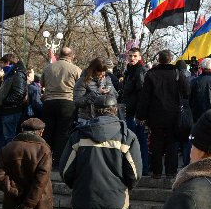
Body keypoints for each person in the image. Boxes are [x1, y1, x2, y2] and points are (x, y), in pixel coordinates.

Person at [59, 94, 142, 209]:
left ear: (93, 111)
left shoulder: (79, 134)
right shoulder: (126, 135)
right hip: (115, 197)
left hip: (84, 195)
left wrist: (77, 185)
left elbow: (66, 169)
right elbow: (134, 173)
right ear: (115, 110)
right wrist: (124, 186)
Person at [137, 50, 189, 178]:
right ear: (170, 59)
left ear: (159, 60)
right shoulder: (178, 73)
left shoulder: (151, 74)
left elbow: (145, 98)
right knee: (172, 143)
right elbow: (187, 93)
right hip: (174, 115)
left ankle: (157, 172)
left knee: (156, 143)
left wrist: (140, 115)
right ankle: (171, 172)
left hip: (155, 115)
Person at [41, 47, 81, 164]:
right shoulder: (76, 69)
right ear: (72, 56)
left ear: (59, 55)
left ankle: (45, 158)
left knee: (48, 131)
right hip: (67, 102)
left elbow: (42, 84)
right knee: (63, 132)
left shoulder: (48, 67)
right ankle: (60, 160)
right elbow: (81, 86)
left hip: (49, 102)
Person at [121, 47, 149, 176]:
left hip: (136, 114)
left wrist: (140, 114)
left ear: (139, 57)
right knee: (131, 140)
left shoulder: (139, 71)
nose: (132, 58)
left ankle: (142, 168)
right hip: (128, 111)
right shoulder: (129, 71)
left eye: (135, 56)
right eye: (130, 55)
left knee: (138, 140)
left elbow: (143, 94)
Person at [0, 53, 27, 155]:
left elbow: (19, 93)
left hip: (10, 110)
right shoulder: (7, 76)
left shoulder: (17, 75)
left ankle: (9, 159)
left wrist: (5, 102)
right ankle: (0, 158)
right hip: (1, 110)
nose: (1, 66)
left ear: (8, 63)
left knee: (9, 136)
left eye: (2, 63)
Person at [73, 57, 118, 122]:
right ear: (93, 70)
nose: (102, 74)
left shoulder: (107, 79)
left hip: (106, 118)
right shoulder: (82, 81)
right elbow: (78, 102)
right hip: (87, 119)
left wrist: (109, 91)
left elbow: (115, 96)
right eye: (100, 71)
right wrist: (97, 93)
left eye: (104, 71)